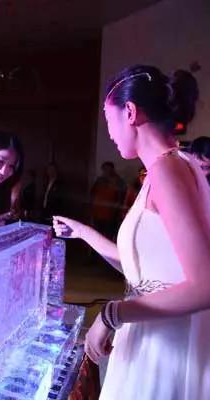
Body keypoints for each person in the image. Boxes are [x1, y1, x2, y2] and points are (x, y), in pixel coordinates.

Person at [53, 65, 210, 399]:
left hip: (164, 345)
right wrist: (82, 232)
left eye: (108, 120)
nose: (109, 132)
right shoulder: (164, 168)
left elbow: (205, 285)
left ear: (129, 112)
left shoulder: (168, 169)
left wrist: (111, 314)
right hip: (153, 331)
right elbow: (144, 269)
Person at [90, 161, 126, 239]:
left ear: (112, 169)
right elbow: (92, 195)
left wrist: (118, 212)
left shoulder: (118, 182)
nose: (107, 171)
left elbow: (121, 198)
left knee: (109, 235)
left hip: (111, 214)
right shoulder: (99, 180)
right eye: (105, 169)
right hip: (98, 213)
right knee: (97, 234)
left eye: (109, 169)